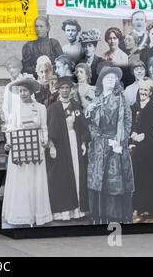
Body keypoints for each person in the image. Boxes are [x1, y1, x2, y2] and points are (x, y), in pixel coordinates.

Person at [85, 66, 134, 224]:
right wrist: (89, 112)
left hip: (115, 145)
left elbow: (127, 121)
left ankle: (115, 217)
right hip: (99, 146)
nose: (111, 81)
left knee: (114, 181)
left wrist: (120, 141)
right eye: (108, 78)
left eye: (114, 78)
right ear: (102, 81)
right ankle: (100, 215)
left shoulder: (120, 99)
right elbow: (91, 125)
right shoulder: (96, 100)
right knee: (99, 181)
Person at [2, 74, 52, 227]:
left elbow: (43, 127)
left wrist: (44, 141)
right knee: (21, 179)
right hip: (20, 146)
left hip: (35, 146)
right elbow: (11, 128)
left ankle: (37, 215)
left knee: (35, 179)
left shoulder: (40, 108)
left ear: (31, 92)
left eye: (25, 91)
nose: (22, 93)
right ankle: (21, 215)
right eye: (20, 91)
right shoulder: (15, 108)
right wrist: (9, 144)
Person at [47, 76, 91, 221]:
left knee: (77, 173)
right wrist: (52, 146)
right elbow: (50, 130)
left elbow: (84, 128)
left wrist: (83, 142)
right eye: (62, 88)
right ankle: (64, 211)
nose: (65, 90)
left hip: (74, 143)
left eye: (67, 88)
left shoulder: (76, 106)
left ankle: (77, 210)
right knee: (62, 176)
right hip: (61, 146)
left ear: (71, 90)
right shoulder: (53, 108)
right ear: (58, 90)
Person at [129, 77, 153, 222]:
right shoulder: (133, 108)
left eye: (146, 90)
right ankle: (138, 206)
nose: (143, 92)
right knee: (137, 178)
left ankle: (150, 207)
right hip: (136, 150)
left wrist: (146, 135)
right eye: (141, 90)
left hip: (149, 150)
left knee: (149, 178)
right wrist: (131, 135)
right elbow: (129, 126)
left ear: (151, 92)